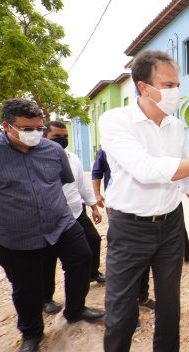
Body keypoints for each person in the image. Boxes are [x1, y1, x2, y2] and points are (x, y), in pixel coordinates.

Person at [99, 50, 189, 351]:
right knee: (121, 314)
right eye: (168, 84)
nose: (175, 92)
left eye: (177, 85)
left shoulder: (174, 126)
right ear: (143, 87)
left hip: (170, 226)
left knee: (170, 306)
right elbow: (147, 170)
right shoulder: (115, 121)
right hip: (129, 227)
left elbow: (182, 173)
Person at [0, 99, 104, 352]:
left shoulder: (53, 151)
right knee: (26, 287)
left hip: (61, 224)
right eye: (27, 129)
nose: (35, 133)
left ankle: (76, 309)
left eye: (38, 127)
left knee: (82, 259)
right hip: (17, 235)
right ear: (6, 126)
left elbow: (64, 182)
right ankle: (31, 333)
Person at [41, 121, 104, 317]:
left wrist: (93, 206)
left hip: (76, 213)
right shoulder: (37, 160)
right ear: (44, 137)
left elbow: (82, 186)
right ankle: (46, 298)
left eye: (64, 136)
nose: (62, 140)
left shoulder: (73, 158)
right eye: (56, 137)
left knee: (93, 241)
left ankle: (92, 273)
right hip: (50, 218)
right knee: (47, 260)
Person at [91, 145, 157, 310]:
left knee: (144, 255)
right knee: (126, 257)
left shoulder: (143, 147)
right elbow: (96, 173)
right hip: (119, 210)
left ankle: (142, 297)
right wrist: (97, 194)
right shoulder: (107, 149)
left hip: (144, 209)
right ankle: (126, 309)